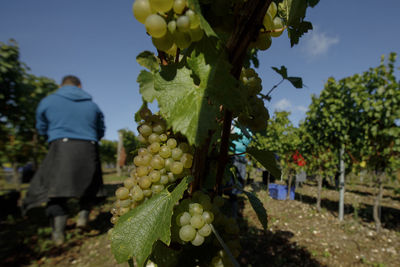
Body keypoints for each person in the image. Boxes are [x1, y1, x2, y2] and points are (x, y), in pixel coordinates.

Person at [23, 75, 105, 245]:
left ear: (61, 86)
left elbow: (41, 127)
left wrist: (52, 137)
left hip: (61, 147)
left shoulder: (48, 101)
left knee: (56, 193)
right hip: (89, 147)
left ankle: (59, 235)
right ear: (80, 85)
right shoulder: (92, 105)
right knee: (90, 187)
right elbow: (101, 129)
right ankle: (83, 218)